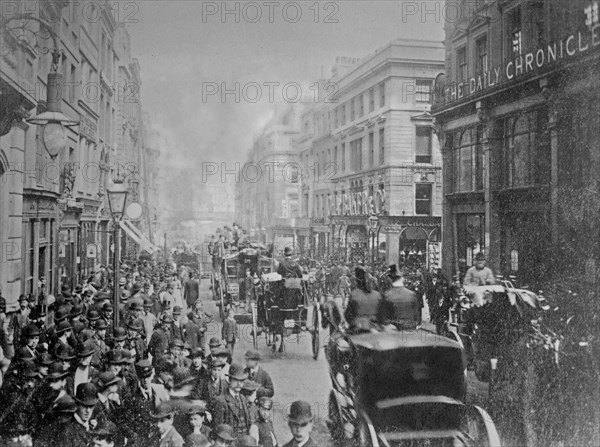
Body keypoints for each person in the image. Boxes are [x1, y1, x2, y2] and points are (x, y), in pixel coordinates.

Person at [212, 363, 251, 440]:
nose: (239, 384)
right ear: (229, 380)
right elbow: (218, 428)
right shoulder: (220, 401)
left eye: (242, 381)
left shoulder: (243, 398)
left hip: (245, 441)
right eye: (236, 380)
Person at [344, 266, 382, 331]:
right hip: (376, 327)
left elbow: (348, 316)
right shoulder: (377, 295)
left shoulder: (354, 294)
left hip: (359, 328)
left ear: (357, 281)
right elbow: (382, 315)